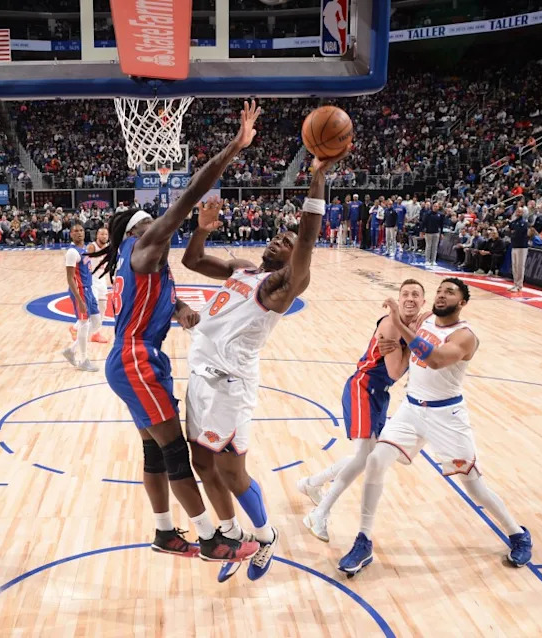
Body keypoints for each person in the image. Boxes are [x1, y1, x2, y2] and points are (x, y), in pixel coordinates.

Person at [90, 101, 263, 563]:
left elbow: (155, 302)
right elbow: (189, 194)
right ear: (138, 232)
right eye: (151, 224)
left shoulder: (147, 268)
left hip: (136, 358)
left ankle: (165, 532)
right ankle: (211, 538)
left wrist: (182, 308)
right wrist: (234, 147)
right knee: (175, 453)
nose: (160, 228)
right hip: (135, 360)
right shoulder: (144, 246)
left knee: (152, 450)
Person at [180, 146, 351, 582]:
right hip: (198, 378)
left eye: (288, 242)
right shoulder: (242, 269)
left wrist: (316, 178)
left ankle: (266, 536)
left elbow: (309, 238)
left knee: (231, 473)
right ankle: (234, 538)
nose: (281, 240)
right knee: (201, 466)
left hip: (227, 386)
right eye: (279, 237)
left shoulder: (280, 288)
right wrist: (201, 229)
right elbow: (192, 261)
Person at [336, 278, 533, 576]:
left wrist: (396, 324)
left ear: (462, 302)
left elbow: (437, 359)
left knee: (473, 485)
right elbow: (404, 356)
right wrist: (391, 343)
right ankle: (363, 541)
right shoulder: (425, 320)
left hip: (447, 417)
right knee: (375, 461)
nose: (441, 295)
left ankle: (516, 532)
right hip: (411, 409)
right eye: (439, 291)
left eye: (449, 292)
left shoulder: (465, 336)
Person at [296, 280, 429, 542]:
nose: (410, 298)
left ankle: (312, 483)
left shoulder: (415, 325)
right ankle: (319, 513)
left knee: (369, 458)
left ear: (423, 302)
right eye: (405, 294)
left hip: (380, 394)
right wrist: (415, 344)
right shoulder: (391, 326)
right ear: (398, 300)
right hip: (363, 387)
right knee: (363, 458)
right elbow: (394, 371)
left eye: (416, 295)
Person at [61, 223, 102, 371]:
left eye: (81, 230)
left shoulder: (84, 249)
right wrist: (79, 299)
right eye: (75, 231)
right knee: (84, 323)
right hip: (80, 291)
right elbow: (70, 278)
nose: (79, 233)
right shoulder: (72, 253)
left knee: (97, 322)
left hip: (88, 289)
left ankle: (71, 350)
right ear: (71, 234)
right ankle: (84, 359)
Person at [85, 228, 110, 344]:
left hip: (102, 280)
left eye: (106, 234)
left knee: (103, 307)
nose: (104, 236)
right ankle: (77, 329)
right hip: (92, 281)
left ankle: (96, 333)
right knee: (93, 308)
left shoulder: (108, 247)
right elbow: (84, 261)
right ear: (97, 235)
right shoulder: (92, 247)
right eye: (101, 234)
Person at [508, 207, 530, 292]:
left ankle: (519, 285)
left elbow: (518, 232)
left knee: (520, 266)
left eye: (520, 212)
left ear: (523, 213)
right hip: (514, 245)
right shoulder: (515, 222)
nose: (518, 213)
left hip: (522, 247)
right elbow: (510, 228)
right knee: (514, 266)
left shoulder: (524, 222)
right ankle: (515, 284)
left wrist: (513, 232)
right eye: (517, 211)